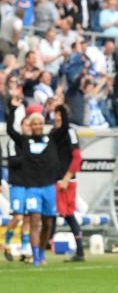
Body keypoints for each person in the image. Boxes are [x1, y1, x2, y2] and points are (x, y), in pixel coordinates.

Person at [6, 96, 66, 266]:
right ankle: (35, 257)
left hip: (48, 187)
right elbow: (10, 130)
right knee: (33, 220)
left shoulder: (51, 139)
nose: (38, 126)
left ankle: (41, 250)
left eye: (40, 123)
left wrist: (60, 107)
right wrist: (12, 109)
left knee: (47, 223)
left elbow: (65, 127)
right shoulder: (24, 142)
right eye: (34, 124)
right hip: (32, 188)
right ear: (30, 127)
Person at [52, 105, 85, 262]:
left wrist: (66, 177)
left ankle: (80, 251)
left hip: (66, 180)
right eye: (55, 113)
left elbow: (77, 157)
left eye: (60, 114)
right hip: (53, 179)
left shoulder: (70, 132)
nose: (57, 117)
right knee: (50, 214)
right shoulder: (53, 133)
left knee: (68, 215)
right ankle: (42, 248)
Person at [3, 117, 32, 263]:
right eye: (26, 125)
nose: (29, 127)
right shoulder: (14, 141)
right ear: (21, 126)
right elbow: (12, 161)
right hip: (17, 184)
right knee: (18, 216)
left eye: (30, 125)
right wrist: (27, 157)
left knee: (28, 218)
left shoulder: (33, 142)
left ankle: (25, 249)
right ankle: (6, 243)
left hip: (31, 184)